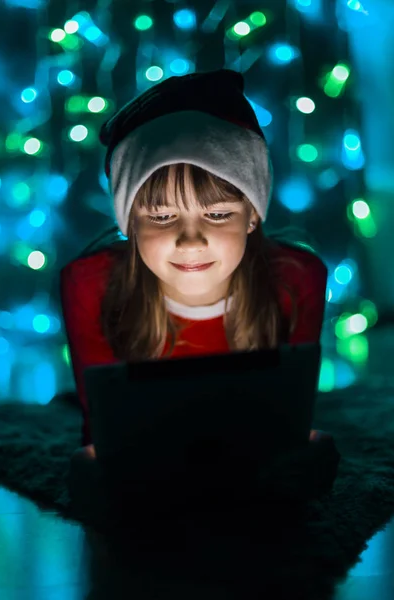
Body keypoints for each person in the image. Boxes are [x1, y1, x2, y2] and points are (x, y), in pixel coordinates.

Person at [61, 69, 340, 508]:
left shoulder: (296, 277)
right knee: (90, 473)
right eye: (161, 217)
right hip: (142, 471)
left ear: (252, 216)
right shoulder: (90, 283)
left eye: (216, 215)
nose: (190, 241)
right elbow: (102, 428)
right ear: (129, 223)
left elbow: (291, 417)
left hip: (254, 464)